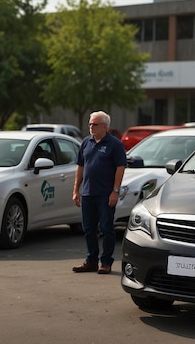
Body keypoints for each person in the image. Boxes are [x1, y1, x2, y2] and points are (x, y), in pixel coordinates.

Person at [72, 111, 126, 274]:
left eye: (94, 124)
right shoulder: (86, 143)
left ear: (104, 126)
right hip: (88, 193)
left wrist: (115, 191)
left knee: (106, 228)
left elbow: (120, 168)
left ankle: (106, 262)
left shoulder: (114, 144)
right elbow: (80, 167)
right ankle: (91, 261)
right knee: (88, 228)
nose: (91, 127)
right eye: (89, 124)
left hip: (105, 194)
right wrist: (76, 190)